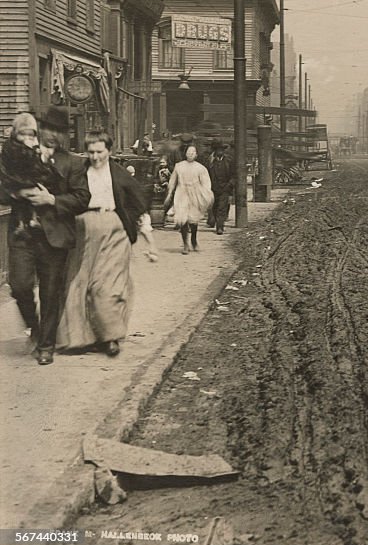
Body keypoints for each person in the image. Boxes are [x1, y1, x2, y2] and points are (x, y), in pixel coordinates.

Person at [0, 106, 90, 365]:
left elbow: (82, 198)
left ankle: (46, 345)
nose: (53, 135)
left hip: (55, 235)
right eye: (48, 129)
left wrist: (51, 199)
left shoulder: (73, 163)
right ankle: (36, 328)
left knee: (51, 292)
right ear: (40, 129)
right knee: (19, 286)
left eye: (59, 131)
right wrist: (17, 195)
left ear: (66, 136)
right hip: (22, 234)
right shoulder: (18, 154)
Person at [57, 130, 151, 357]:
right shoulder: (79, 172)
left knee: (106, 284)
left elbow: (138, 203)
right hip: (83, 227)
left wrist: (146, 235)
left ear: (109, 151)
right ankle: (80, 338)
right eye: (91, 152)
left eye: (100, 152)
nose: (96, 157)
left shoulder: (118, 174)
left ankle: (110, 337)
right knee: (78, 282)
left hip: (113, 228)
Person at [0, 112, 56, 240]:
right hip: (16, 180)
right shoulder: (11, 146)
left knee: (33, 199)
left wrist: (41, 156)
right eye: (22, 134)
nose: (26, 137)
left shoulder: (34, 146)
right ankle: (21, 224)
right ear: (15, 133)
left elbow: (38, 165)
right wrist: (31, 150)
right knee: (19, 203)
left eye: (30, 135)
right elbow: (9, 167)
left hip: (30, 179)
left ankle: (33, 218)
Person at [164, 144, 214, 254]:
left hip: (195, 194)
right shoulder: (179, 166)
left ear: (196, 155)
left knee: (193, 220)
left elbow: (206, 183)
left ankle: (193, 240)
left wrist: (206, 195)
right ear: (185, 154)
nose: (190, 154)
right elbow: (172, 182)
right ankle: (185, 244)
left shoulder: (200, 168)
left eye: (193, 153)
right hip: (181, 193)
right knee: (182, 219)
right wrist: (169, 194)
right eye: (188, 152)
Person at [205, 140, 234, 234]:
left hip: (225, 188)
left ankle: (220, 227)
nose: (220, 152)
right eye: (218, 150)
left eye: (222, 150)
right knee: (214, 207)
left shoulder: (229, 161)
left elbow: (234, 175)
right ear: (215, 151)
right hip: (212, 188)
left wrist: (229, 185)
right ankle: (213, 220)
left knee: (222, 208)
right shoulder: (209, 162)